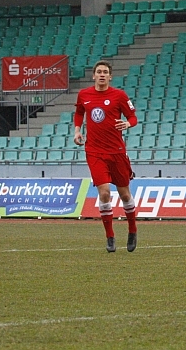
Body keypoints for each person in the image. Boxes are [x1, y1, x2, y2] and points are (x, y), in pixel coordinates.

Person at [74, 60, 139, 253]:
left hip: (116, 151)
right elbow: (79, 113)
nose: (102, 75)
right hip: (94, 151)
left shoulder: (119, 95)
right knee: (104, 193)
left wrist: (127, 124)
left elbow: (133, 117)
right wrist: (77, 130)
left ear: (110, 76)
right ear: (93, 75)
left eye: (105, 72)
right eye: (99, 72)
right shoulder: (84, 95)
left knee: (125, 194)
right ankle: (110, 236)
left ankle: (132, 230)